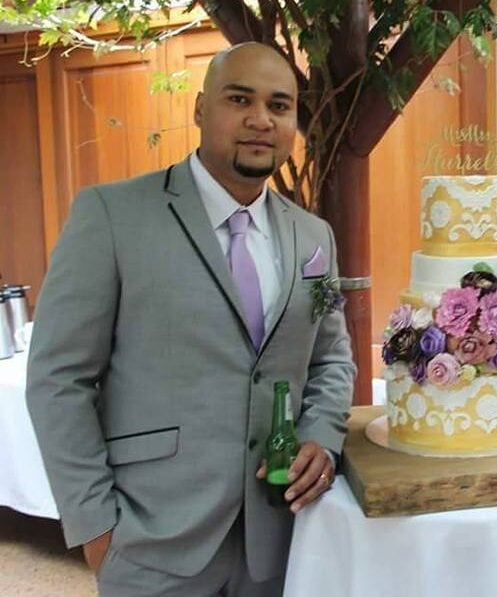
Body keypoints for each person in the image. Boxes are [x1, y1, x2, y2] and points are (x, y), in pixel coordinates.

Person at [26, 42, 355, 596]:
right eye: (239, 99)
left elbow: (331, 358)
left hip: (279, 539)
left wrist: (321, 437)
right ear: (201, 109)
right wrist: (94, 522)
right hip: (150, 537)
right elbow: (58, 377)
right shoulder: (112, 216)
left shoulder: (312, 235)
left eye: (279, 105)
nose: (260, 120)